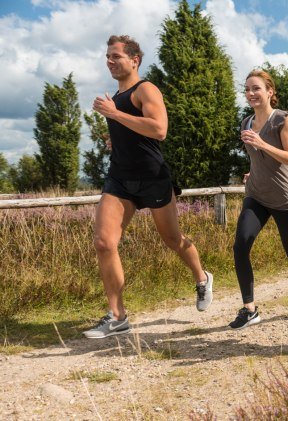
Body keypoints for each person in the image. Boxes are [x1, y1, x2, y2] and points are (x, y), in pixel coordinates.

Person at [84, 35, 214, 339]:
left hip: (153, 178)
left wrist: (114, 114)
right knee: (104, 243)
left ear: (134, 60)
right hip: (119, 179)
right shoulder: (115, 97)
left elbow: (159, 129)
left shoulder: (146, 89)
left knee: (172, 239)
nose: (110, 61)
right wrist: (115, 139)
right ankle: (118, 317)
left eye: (116, 56)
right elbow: (134, 132)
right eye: (108, 56)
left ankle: (201, 277)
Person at [228, 70, 288, 329]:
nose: (250, 93)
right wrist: (253, 171)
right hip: (256, 194)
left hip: (284, 198)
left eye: (256, 88)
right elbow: (257, 158)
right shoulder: (245, 122)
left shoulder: (282, 121)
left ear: (270, 91)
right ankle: (250, 309)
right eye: (247, 89)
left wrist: (262, 144)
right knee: (240, 245)